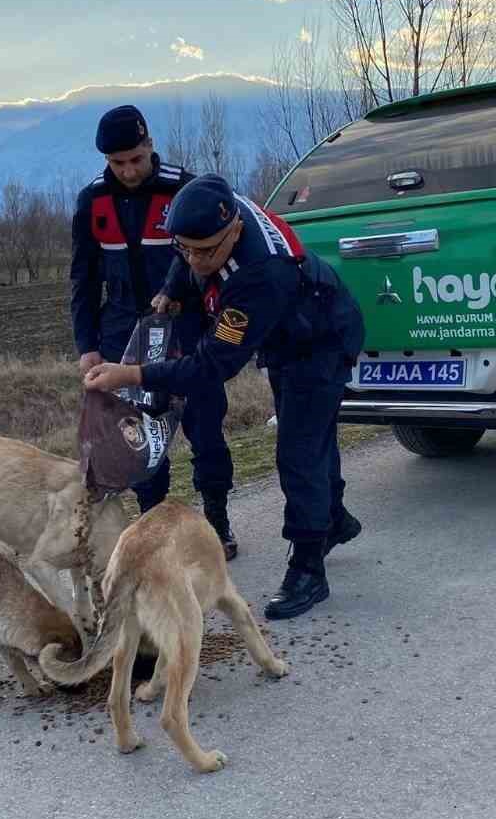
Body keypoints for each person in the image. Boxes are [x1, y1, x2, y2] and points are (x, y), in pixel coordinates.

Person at [84, 174, 365, 620]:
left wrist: (133, 372)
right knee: (312, 435)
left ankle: (309, 569)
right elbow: (190, 252)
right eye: (185, 248)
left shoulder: (260, 275)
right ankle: (333, 519)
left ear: (233, 230)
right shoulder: (214, 208)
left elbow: (210, 366)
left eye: (206, 250)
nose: (195, 260)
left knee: (298, 451)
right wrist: (172, 289)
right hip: (290, 335)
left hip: (319, 343)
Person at [69, 104, 238, 558]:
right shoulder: (92, 201)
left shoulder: (186, 188)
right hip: (122, 335)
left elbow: (219, 263)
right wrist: (87, 347)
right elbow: (83, 279)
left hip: (187, 331)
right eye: (116, 163)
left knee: (205, 431)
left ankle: (217, 521)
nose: (127, 170)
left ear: (150, 146)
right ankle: (153, 530)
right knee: (137, 438)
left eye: (135, 159)